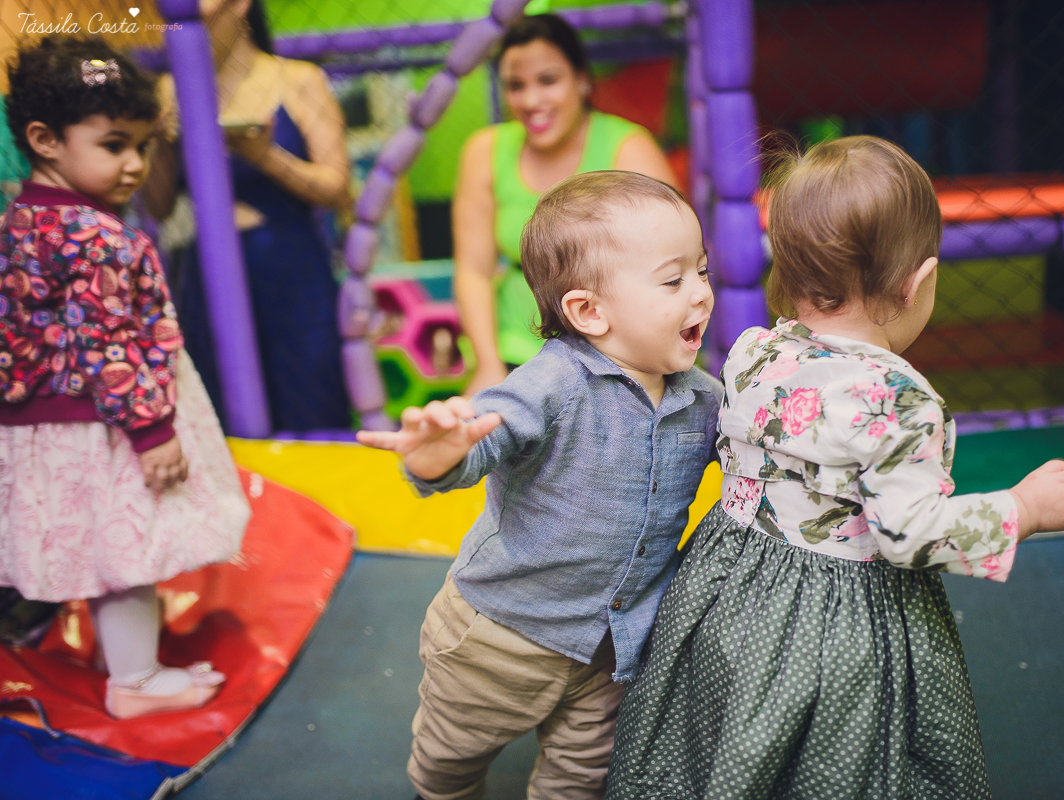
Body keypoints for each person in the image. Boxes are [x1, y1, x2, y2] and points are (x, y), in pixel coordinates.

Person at [605, 137, 1064, 799]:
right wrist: (1025, 509)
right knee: (843, 755)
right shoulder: (897, 402)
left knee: (731, 726)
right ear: (917, 283)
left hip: (728, 587)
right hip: (836, 616)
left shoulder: (755, 352)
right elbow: (910, 533)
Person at [358, 171, 720, 800]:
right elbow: (486, 437)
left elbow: (754, 447)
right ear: (589, 311)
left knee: (584, 774)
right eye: (673, 280)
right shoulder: (552, 382)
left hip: (612, 644)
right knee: (450, 759)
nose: (701, 294)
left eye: (703, 271)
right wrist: (440, 455)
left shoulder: (704, 398)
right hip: (500, 636)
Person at [0, 36, 250, 719]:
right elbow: (108, 343)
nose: (135, 164)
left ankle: (124, 660)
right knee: (127, 552)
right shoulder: (100, 237)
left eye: (142, 145)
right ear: (45, 140)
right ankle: (134, 682)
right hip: (108, 426)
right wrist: (151, 430)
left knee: (91, 546)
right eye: (114, 145)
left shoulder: (16, 223)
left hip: (41, 428)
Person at [146, 0, 352, 431]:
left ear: (239, 5)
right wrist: (159, 142)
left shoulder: (298, 79)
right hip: (208, 270)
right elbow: (158, 206)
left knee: (311, 402)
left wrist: (265, 157)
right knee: (222, 412)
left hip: (290, 265)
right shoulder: (168, 88)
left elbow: (337, 187)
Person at [454, 13, 679, 396]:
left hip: (617, 359)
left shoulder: (629, 149)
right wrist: (488, 365)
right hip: (516, 356)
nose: (531, 100)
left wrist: (648, 365)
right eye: (515, 85)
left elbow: (672, 268)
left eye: (548, 80)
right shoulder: (485, 151)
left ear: (582, 80)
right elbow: (474, 271)